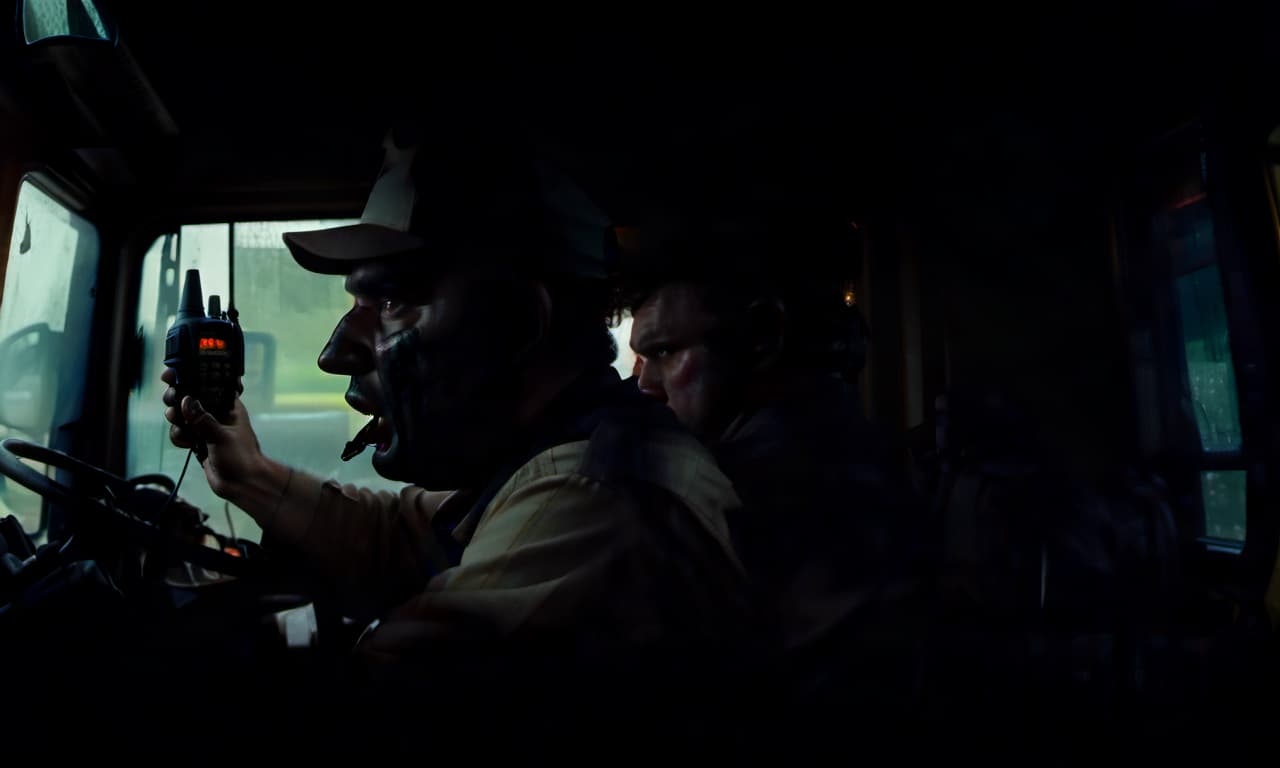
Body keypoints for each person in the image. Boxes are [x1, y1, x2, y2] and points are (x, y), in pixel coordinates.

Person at [161, 122, 756, 752]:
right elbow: (399, 538)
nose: (335, 353)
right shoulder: (548, 461)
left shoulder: (598, 497)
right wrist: (246, 471)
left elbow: (359, 718)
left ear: (517, 323)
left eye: (391, 302)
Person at [620, 215, 931, 751]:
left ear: (762, 336)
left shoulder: (754, 484)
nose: (642, 383)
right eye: (641, 358)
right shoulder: (840, 441)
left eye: (666, 352)